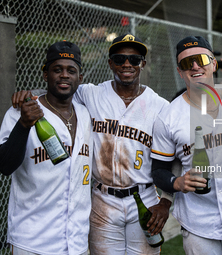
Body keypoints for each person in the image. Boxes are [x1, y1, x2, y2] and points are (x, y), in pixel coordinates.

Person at [11, 34, 172, 255]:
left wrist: (166, 201)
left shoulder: (161, 107)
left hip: (144, 199)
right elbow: (59, 90)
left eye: (134, 60)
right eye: (119, 58)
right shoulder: (91, 93)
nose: (127, 64)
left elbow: (173, 158)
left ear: (143, 64)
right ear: (110, 63)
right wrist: (29, 95)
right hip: (102, 200)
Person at [151, 35, 222, 255]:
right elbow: (159, 170)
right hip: (198, 223)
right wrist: (177, 183)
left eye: (201, 59)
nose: (194, 66)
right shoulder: (169, 116)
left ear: (213, 63)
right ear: (180, 72)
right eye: (185, 63)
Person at [1, 41, 93, 254]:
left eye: (71, 70)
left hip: (76, 241)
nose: (64, 75)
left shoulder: (86, 114)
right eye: (57, 69)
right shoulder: (20, 112)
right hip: (32, 241)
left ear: (80, 78)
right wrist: (23, 125)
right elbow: (5, 166)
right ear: (45, 75)